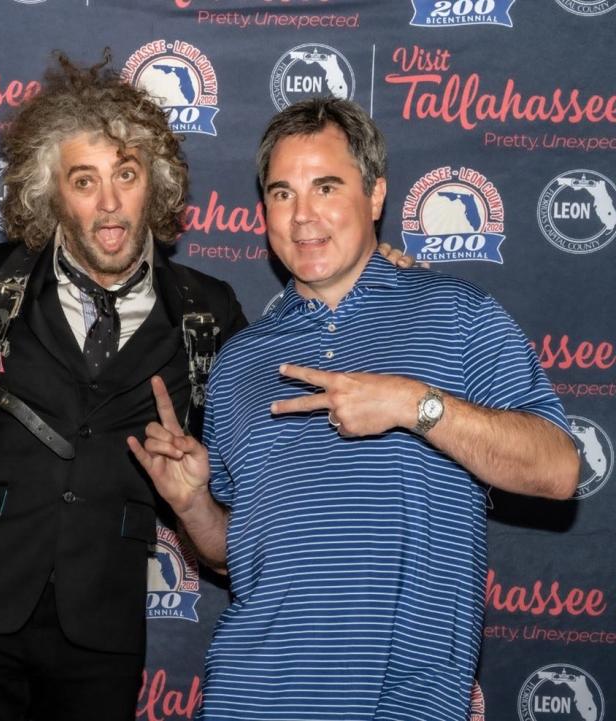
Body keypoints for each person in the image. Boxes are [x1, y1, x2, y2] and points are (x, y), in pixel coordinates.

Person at [0, 56, 415, 721]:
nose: (110, 203)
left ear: (158, 182)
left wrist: (371, 278)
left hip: (104, 622)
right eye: (84, 181)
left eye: (126, 173)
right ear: (52, 192)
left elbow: (281, 402)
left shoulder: (208, 311)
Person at [128, 97, 580, 721]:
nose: (303, 215)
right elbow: (233, 554)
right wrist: (193, 505)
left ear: (375, 198)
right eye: (282, 193)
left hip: (402, 702)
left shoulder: (456, 316)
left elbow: (559, 469)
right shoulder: (240, 361)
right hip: (249, 699)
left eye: (326, 187)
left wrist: (414, 404)